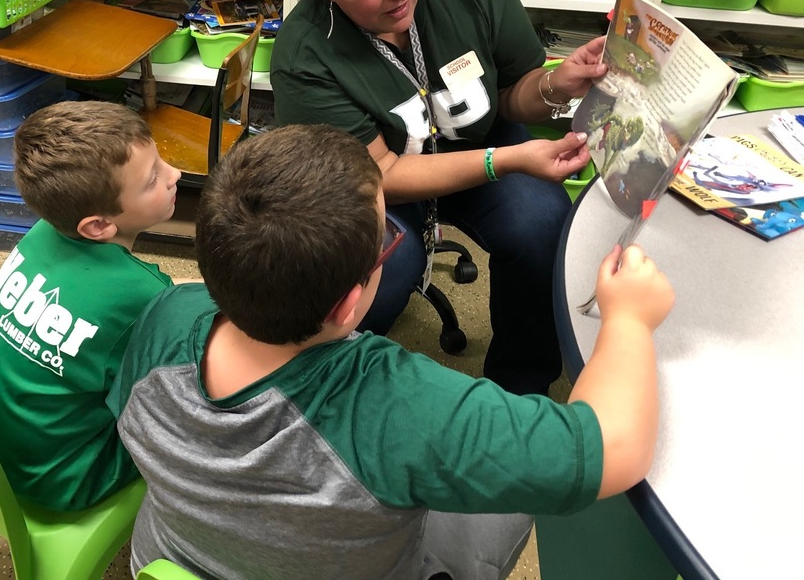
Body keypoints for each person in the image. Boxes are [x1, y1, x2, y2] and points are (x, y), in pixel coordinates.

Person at [108, 123, 674, 580]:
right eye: (387, 238)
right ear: (348, 304)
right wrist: (628, 319)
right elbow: (614, 451)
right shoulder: (396, 400)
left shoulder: (165, 313)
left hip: (174, 559)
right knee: (513, 498)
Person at [269, 0, 609, 396]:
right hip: (380, 187)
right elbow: (379, 176)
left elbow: (511, 94)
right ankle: (330, 392)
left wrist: (555, 82)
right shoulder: (305, 54)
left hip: (481, 144)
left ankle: (520, 390)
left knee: (543, 223)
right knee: (375, 268)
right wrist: (510, 159)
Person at [0, 100, 181, 511]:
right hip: (64, 481)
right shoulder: (140, 292)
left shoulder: (41, 232)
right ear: (99, 226)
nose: (175, 175)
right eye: (152, 179)